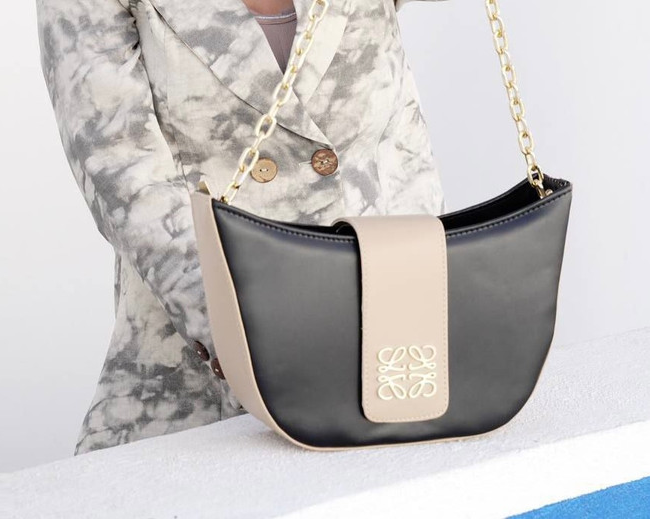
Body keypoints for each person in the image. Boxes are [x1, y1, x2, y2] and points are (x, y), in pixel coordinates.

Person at [35, 0, 446, 455]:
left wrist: (423, 308)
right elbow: (120, 169)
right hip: (207, 362)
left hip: (390, 352)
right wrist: (246, 332)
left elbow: (399, 157)